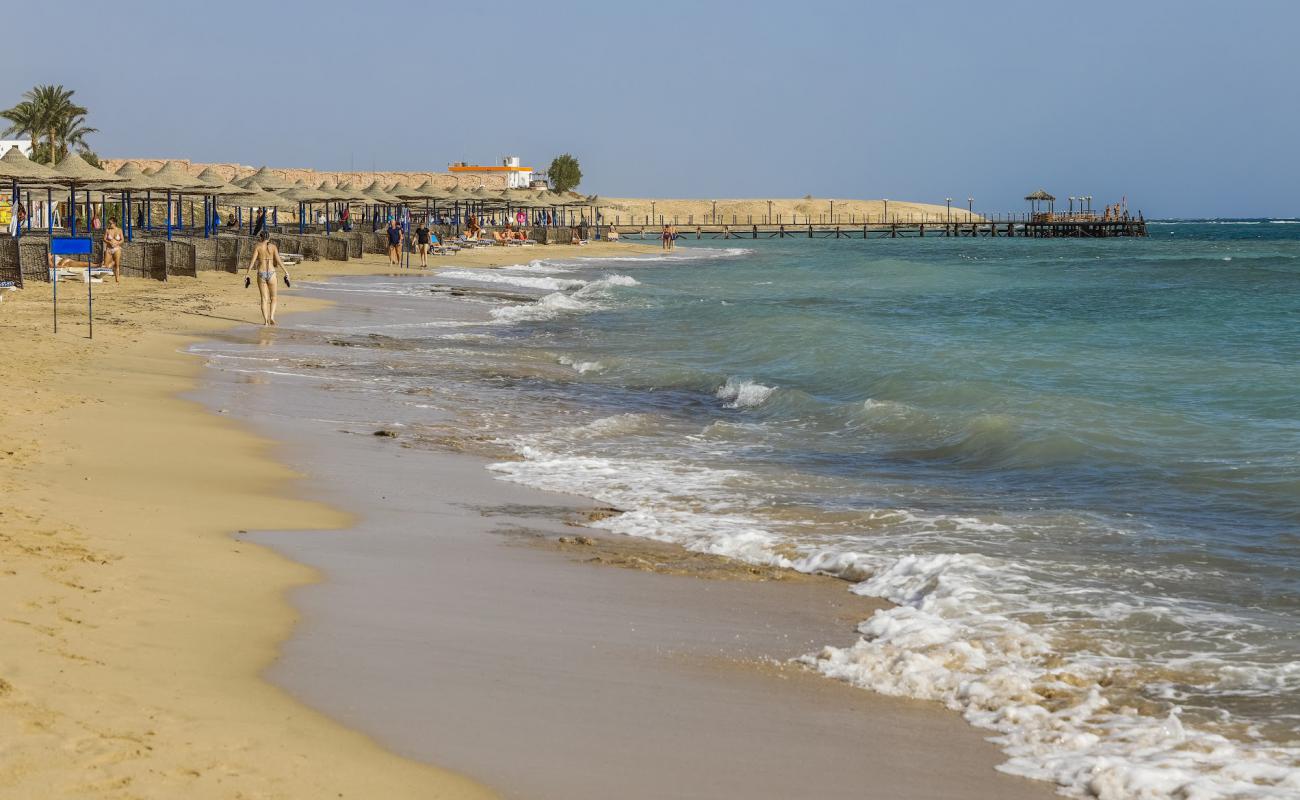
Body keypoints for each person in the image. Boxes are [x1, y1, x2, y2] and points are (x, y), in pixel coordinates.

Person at [244, 230, 289, 326]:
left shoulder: (258, 247)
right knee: (274, 298)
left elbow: (252, 262)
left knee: (264, 299)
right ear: (269, 238)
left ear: (261, 237)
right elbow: (279, 261)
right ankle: (272, 317)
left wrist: (247, 273)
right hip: (272, 273)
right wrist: (286, 271)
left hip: (261, 273)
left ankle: (265, 321)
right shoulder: (273, 247)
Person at [102, 218, 125, 283]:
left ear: (114, 223)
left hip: (117, 248)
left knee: (117, 265)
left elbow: (122, 240)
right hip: (109, 248)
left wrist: (117, 243)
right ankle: (112, 263)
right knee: (106, 265)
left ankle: (117, 279)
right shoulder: (107, 230)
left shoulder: (119, 230)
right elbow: (104, 239)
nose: (109, 224)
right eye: (109, 223)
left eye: (110, 223)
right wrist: (109, 242)